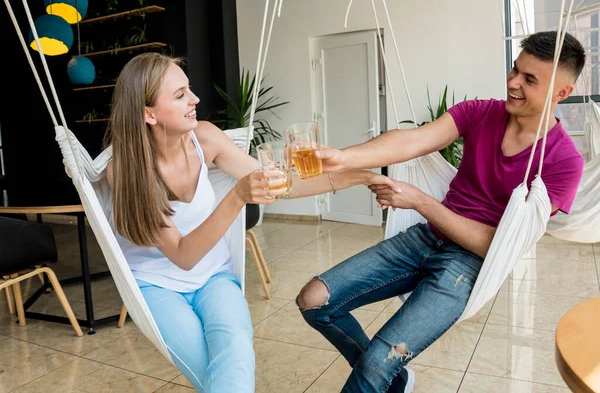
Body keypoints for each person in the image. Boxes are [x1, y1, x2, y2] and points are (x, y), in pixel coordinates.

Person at [296, 30, 586, 393]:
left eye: (529, 79)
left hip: (469, 265)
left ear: (562, 93)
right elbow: (413, 139)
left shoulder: (562, 162)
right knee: (313, 301)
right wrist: (344, 157)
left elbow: (497, 247)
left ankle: (383, 374)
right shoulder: (480, 113)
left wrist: (420, 201)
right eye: (514, 70)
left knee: (376, 363)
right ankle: (395, 380)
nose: (512, 83)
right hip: (424, 239)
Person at [104, 52, 394, 392]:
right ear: (148, 114)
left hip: (214, 276)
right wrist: (238, 196)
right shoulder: (124, 170)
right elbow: (183, 255)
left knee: (235, 356)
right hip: (156, 285)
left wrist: (359, 177)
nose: (195, 99)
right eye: (180, 94)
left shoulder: (205, 138)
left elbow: (281, 185)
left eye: (189, 89)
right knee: (215, 375)